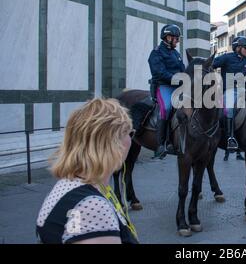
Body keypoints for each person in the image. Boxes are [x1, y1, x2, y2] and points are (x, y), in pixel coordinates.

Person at [36, 99, 138, 244]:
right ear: (112, 142)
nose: (130, 140)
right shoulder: (92, 206)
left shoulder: (68, 184)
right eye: (129, 133)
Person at [148, 24, 185, 159]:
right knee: (168, 108)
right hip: (163, 86)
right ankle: (160, 145)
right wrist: (177, 79)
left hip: (178, 87)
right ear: (168, 37)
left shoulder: (176, 54)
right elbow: (159, 72)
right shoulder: (156, 52)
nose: (178, 41)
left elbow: (183, 69)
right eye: (176, 38)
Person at [213, 36, 246, 151]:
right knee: (229, 109)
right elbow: (211, 64)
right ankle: (230, 138)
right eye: (245, 47)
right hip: (229, 90)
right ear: (238, 48)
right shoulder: (226, 57)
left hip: (243, 90)